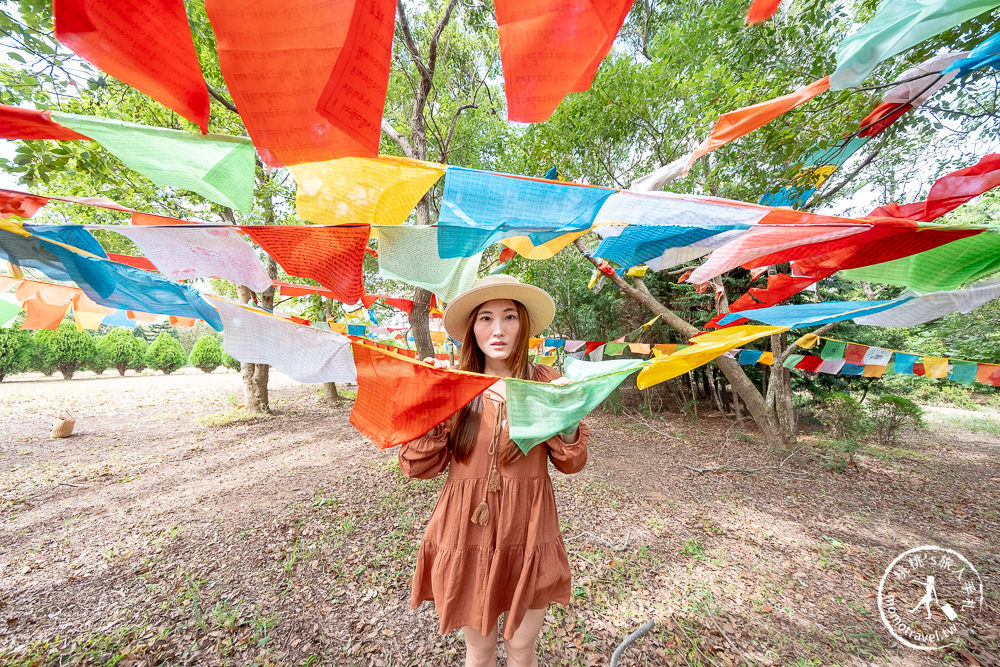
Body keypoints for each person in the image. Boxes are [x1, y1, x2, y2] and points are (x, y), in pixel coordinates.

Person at [399, 275, 589, 667]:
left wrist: (569, 417)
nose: (498, 329)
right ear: (472, 328)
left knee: (522, 647)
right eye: (485, 318)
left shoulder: (547, 383)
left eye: (509, 317)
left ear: (524, 325)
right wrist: (430, 406)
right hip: (466, 530)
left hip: (530, 528)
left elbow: (570, 463)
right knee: (480, 650)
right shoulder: (454, 384)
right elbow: (416, 466)